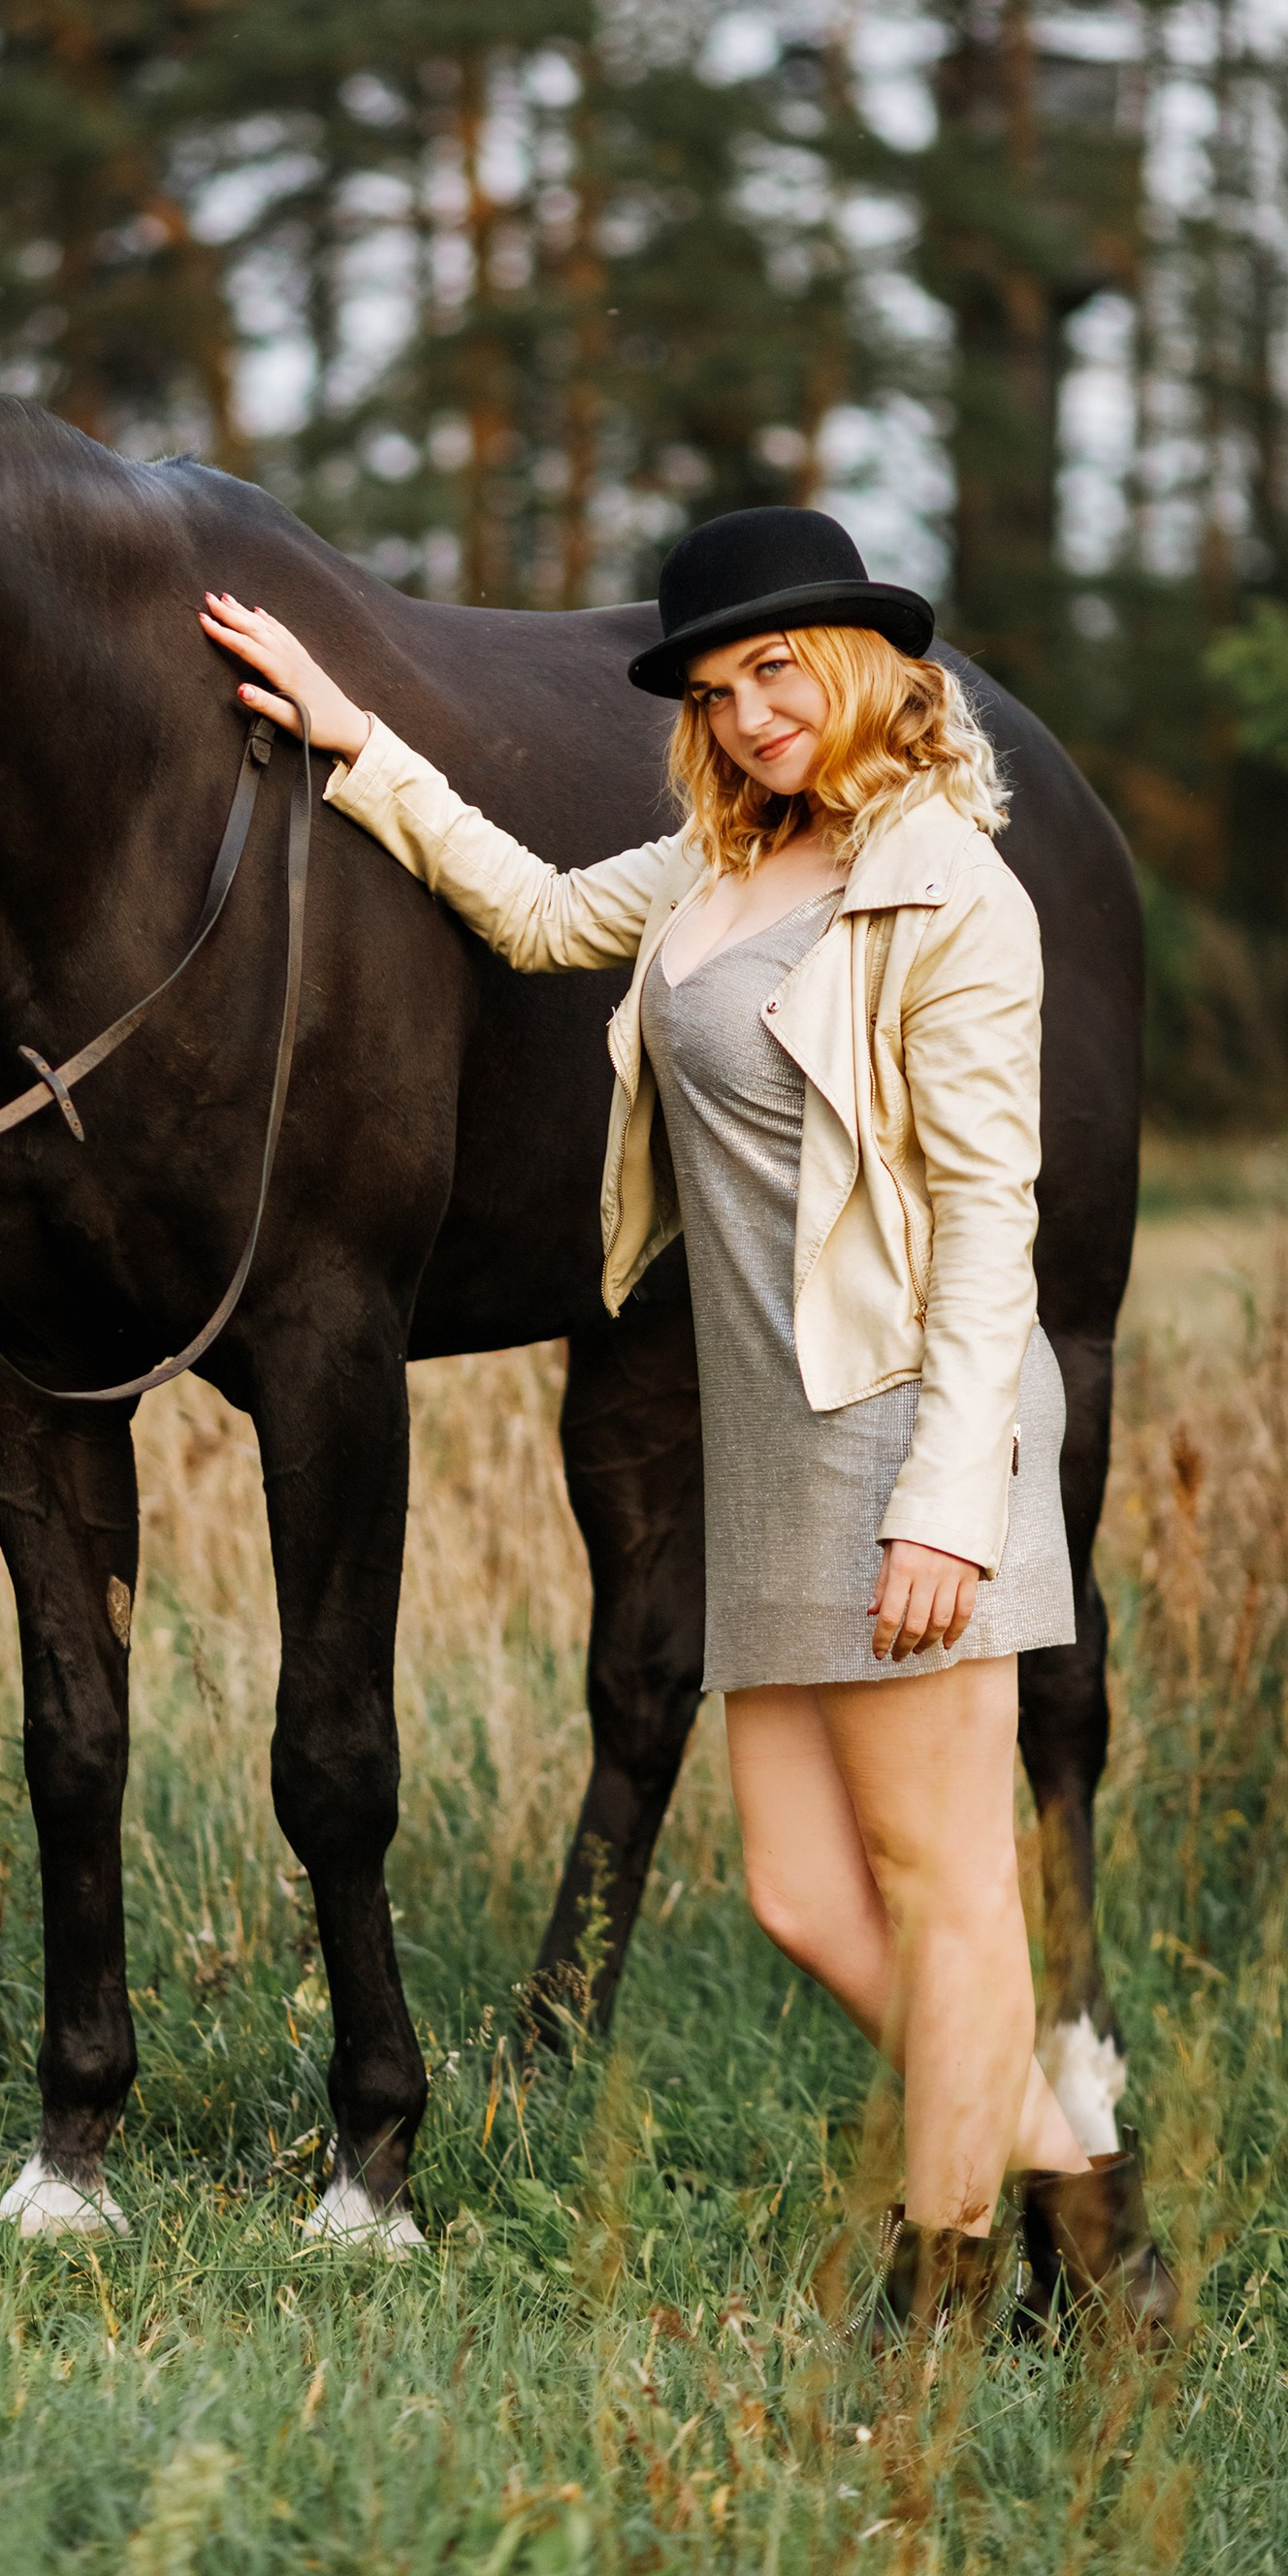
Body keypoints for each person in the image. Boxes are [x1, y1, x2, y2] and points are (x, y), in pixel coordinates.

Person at [202, 505, 1175, 2341]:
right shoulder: (724, 872)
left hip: (914, 1446)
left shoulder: (953, 894)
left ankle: (946, 2291)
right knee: (811, 1895)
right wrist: (351, 733)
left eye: (778, 672)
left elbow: (989, 1233)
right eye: (718, 690)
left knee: (944, 1888)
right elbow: (529, 906)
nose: (747, 717)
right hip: (777, 1450)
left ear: (871, 666)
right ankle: (1090, 2216)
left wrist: (951, 1505)